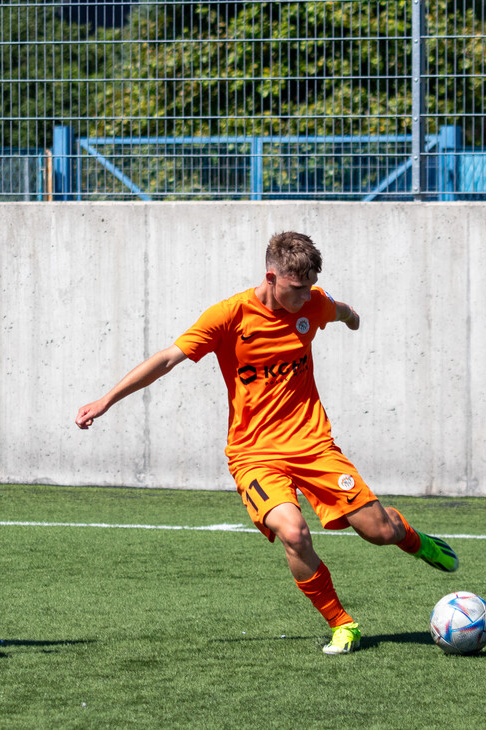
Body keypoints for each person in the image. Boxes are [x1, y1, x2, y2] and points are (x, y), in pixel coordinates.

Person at [75, 231, 457, 655]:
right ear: (271, 276)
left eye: (310, 286)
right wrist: (106, 400)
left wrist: (351, 318)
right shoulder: (228, 316)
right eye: (296, 289)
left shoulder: (313, 302)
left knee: (378, 531)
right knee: (294, 533)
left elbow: (341, 309)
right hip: (254, 454)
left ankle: (417, 541)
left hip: (313, 444)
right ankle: (343, 623)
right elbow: (167, 359)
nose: (304, 297)